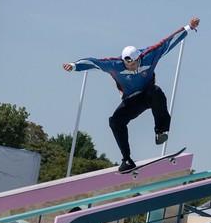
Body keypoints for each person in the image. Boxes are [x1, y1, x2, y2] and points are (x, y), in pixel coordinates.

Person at [63, 17, 200, 172]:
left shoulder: (149, 55)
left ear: (139, 58)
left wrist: (189, 27)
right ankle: (127, 159)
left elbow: (168, 42)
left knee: (157, 91)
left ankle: (160, 131)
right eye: (128, 64)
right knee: (115, 121)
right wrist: (74, 66)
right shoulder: (114, 64)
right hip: (132, 101)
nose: (131, 67)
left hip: (149, 94)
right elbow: (93, 62)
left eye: (134, 64)